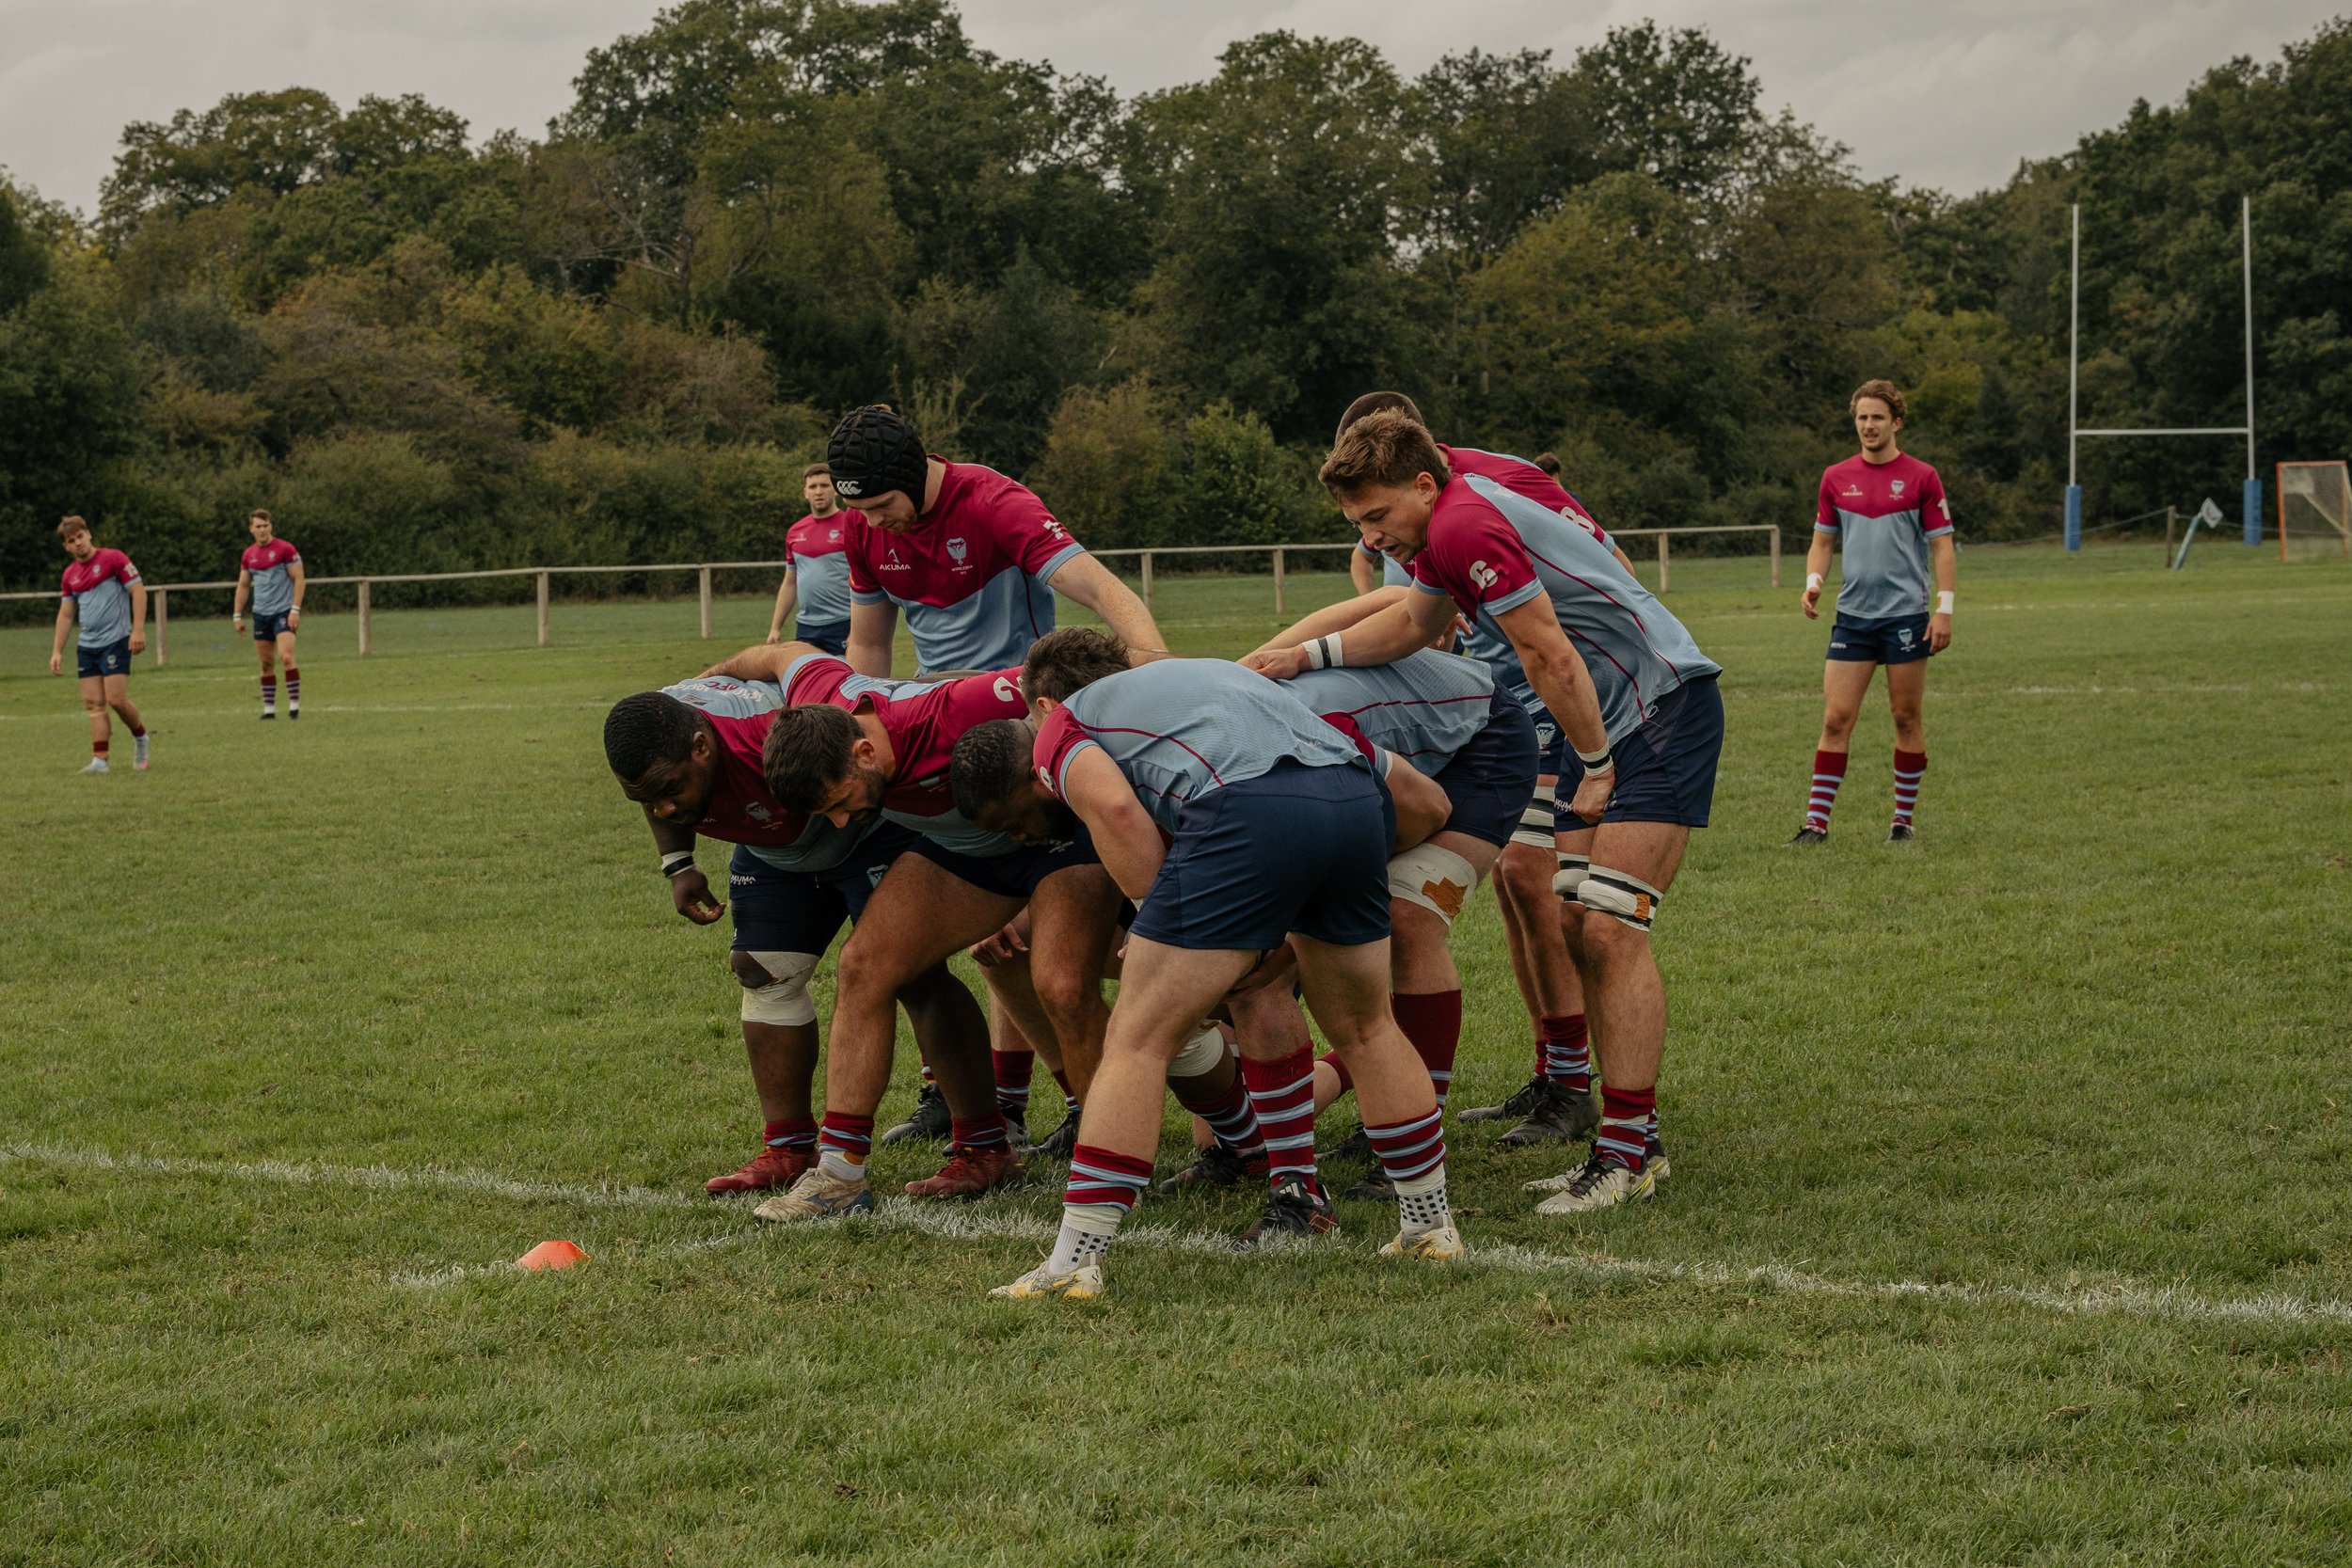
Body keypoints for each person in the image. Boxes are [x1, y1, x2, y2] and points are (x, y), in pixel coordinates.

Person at [1246, 409, 1723, 1215]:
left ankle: (1628, 1151)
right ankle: (1626, 1136)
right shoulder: (1442, 526)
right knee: (1572, 921)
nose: (1370, 538)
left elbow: (1547, 652)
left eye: (1375, 517)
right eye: (1357, 524)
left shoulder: (1465, 519)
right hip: (1596, 718)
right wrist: (1306, 655)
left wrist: (1598, 765)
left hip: (1658, 708)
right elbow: (1412, 624)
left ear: (1422, 485)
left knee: (1610, 927)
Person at [956, 632, 1466, 1297]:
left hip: (1247, 809)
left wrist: (1153, 914)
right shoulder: (1219, 678)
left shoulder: (1057, 728)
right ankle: (1429, 1224)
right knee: (1368, 1028)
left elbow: (1112, 806)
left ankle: (1072, 1262)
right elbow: (1423, 799)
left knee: (1137, 1038)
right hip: (1352, 800)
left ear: (1043, 706)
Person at [1308, 393, 1629, 1146]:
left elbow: (1607, 563)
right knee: (1508, 890)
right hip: (1469, 699)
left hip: (1538, 691)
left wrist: (1579, 660)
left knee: (1526, 870)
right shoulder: (1390, 508)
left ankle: (1572, 1083)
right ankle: (1555, 1070)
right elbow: (1392, 588)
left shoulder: (1492, 482)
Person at [737, 648, 1134, 1220]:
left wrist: (1167, 667)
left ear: (865, 751)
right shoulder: (824, 706)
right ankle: (841, 1174)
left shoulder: (960, 705)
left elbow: (1080, 677)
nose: (843, 824)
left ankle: (1111, 1167)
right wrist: (710, 677)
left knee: (1064, 986)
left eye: (843, 802)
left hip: (1059, 841)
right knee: (865, 965)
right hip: (969, 855)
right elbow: (781, 655)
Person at [603, 673, 990, 1196]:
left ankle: (984, 1145)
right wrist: (678, 862)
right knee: (761, 970)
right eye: (648, 801)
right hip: (776, 853)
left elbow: (857, 732)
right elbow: (656, 794)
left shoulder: (767, 730)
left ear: (702, 746)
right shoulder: (661, 733)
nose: (666, 808)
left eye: (672, 790)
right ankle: (788, 1146)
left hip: (865, 830)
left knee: (914, 976)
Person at [1266, 644, 1538, 1199]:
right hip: (1381, 768)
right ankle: (1372, 1091)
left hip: (1479, 749)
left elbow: (1430, 810)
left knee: (1407, 922)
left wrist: (1304, 650)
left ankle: (1418, 1124)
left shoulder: (1314, 734)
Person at [826, 404, 1166, 676]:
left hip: (1020, 697)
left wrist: (1160, 668)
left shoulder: (995, 503)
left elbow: (1101, 590)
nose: (872, 521)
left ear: (915, 475)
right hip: (933, 698)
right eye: (858, 508)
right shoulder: (861, 525)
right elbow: (869, 645)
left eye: (883, 505)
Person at [1790, 380, 1956, 846]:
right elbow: (1823, 541)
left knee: (1906, 718)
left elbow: (1942, 546)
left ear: (1896, 422)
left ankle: (1902, 823)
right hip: (1853, 618)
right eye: (1862, 417)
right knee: (1835, 719)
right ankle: (1815, 826)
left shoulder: (1923, 476)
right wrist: (1813, 583)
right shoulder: (1835, 477)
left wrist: (1943, 610)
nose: (1869, 425)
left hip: (1906, 616)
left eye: (1878, 417)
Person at [49, 516, 150, 774]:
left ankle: (140, 738)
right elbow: (66, 614)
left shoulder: (113, 558)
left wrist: (137, 630)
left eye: (80, 537)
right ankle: (100, 760)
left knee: (116, 699)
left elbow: (137, 590)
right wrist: (57, 651)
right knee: (94, 703)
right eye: (71, 541)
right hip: (87, 646)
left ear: (89, 534)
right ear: (66, 547)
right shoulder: (70, 575)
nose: (78, 543)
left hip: (116, 640)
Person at [766, 464, 853, 655]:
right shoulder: (795, 532)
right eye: (813, 487)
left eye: (824, 485)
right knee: (806, 681)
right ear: (805, 492)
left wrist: (858, 629)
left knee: (848, 682)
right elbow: (790, 583)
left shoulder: (852, 526)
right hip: (806, 627)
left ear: (836, 489)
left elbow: (867, 582)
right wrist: (775, 628)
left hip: (844, 624)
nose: (818, 491)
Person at [232, 509, 305, 720]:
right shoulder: (249, 555)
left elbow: (299, 579)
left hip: (283, 611)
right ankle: (269, 711)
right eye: (258, 526)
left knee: (286, 657)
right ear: (251, 529)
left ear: (271, 526)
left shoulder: (286, 549)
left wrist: (295, 609)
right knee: (266, 664)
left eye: (265, 526)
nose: (262, 530)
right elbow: (244, 585)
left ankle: (293, 706)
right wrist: (237, 615)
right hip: (260, 614)